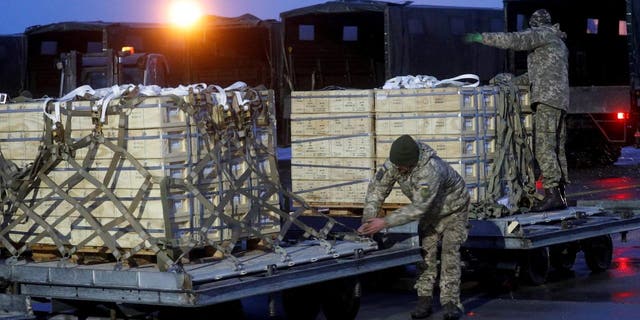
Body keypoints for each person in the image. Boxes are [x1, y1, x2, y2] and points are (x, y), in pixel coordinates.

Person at [465, 8, 569, 211]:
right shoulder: (557, 43)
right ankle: (561, 193)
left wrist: (482, 37)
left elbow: (515, 40)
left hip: (547, 100)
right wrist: (512, 82)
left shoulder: (543, 34)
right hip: (559, 100)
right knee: (556, 147)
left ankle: (553, 194)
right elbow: (537, 75)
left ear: (535, 25)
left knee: (543, 147)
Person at [357, 134, 470, 320]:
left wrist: (384, 222)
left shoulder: (430, 170)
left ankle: (451, 303)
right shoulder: (395, 163)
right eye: (397, 166)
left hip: (453, 211)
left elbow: (419, 207)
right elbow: (377, 190)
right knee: (426, 254)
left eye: (402, 167)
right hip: (429, 213)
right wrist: (368, 222)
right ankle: (424, 300)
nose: (399, 170)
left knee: (449, 254)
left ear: (411, 163)